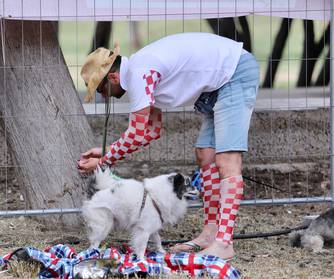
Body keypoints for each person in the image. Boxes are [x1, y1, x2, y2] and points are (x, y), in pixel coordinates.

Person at [77, 32, 260, 260]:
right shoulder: (140, 71)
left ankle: (224, 243)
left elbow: (137, 133)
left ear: (113, 77)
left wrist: (104, 162)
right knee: (205, 154)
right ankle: (211, 233)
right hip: (221, 81)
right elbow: (151, 131)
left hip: (234, 72)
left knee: (226, 161)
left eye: (101, 90)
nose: (105, 97)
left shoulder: (140, 73)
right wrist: (107, 152)